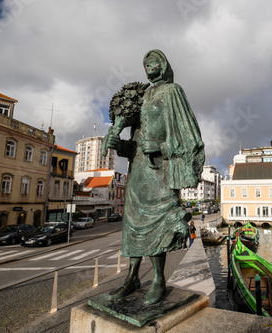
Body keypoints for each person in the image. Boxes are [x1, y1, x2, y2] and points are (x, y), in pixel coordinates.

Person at [102, 50, 204, 305]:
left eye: (154, 61)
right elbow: (135, 143)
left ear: (164, 65)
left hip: (161, 172)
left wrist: (162, 147)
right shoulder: (143, 95)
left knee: (158, 228)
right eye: (145, 63)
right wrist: (119, 144)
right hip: (138, 173)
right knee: (133, 228)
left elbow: (191, 138)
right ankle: (132, 278)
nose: (149, 66)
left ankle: (158, 279)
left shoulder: (173, 91)